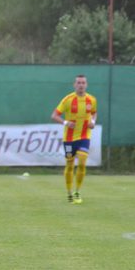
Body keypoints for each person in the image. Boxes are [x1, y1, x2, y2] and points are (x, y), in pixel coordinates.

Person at [51, 74, 97, 204]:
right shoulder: (68, 100)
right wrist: (66, 123)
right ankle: (69, 193)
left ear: (86, 85)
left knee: (82, 160)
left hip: (84, 136)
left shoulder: (91, 99)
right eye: (78, 83)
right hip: (69, 139)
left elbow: (94, 113)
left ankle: (77, 191)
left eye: (83, 83)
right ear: (74, 85)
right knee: (70, 164)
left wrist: (93, 122)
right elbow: (54, 115)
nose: (81, 85)